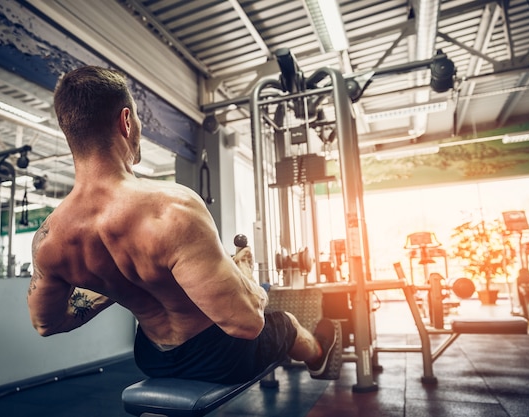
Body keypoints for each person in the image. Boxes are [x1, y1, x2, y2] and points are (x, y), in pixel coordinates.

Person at [27, 65, 341, 384]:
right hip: (221, 360)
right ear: (125, 121)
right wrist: (245, 272)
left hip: (152, 359)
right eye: (137, 120)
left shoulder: (49, 239)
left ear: (71, 133)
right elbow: (246, 323)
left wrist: (115, 286)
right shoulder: (172, 208)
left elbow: (47, 323)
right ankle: (318, 356)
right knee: (285, 322)